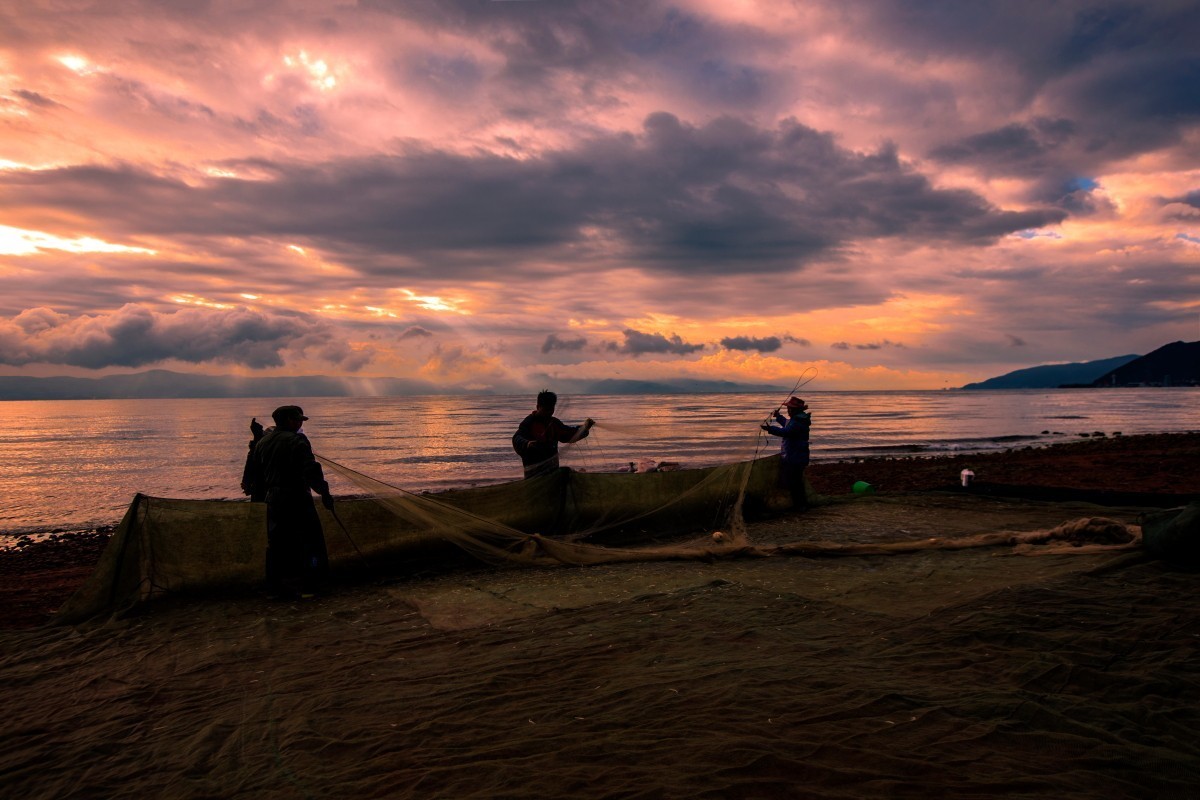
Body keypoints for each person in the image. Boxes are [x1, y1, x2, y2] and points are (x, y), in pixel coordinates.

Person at [251, 405, 334, 599]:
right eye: (298, 420)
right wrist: (325, 494)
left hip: (274, 500)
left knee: (277, 544)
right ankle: (310, 585)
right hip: (297, 498)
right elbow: (311, 470)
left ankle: (274, 587)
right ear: (289, 420)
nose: (299, 424)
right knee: (310, 541)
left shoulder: (263, 442)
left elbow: (257, 474)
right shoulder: (297, 441)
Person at [512, 390, 594, 479]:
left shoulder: (554, 423)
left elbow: (568, 434)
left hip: (552, 472)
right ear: (538, 407)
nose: (549, 412)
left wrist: (584, 429)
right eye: (546, 410)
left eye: (551, 409)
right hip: (533, 475)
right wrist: (527, 444)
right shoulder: (529, 423)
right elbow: (517, 438)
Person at [761, 396, 812, 510]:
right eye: (788, 408)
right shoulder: (796, 419)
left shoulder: (799, 422)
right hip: (794, 455)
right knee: (795, 481)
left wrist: (770, 429)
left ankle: (800, 505)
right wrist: (778, 417)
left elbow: (787, 432)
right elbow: (786, 423)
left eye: (790, 408)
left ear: (796, 410)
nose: (788, 410)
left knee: (795, 482)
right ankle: (800, 504)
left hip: (796, 456)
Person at [240, 417, 267, 502]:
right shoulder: (258, 449)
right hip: (261, 488)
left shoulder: (255, 449)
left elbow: (249, 466)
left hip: (258, 488)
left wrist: (246, 482)